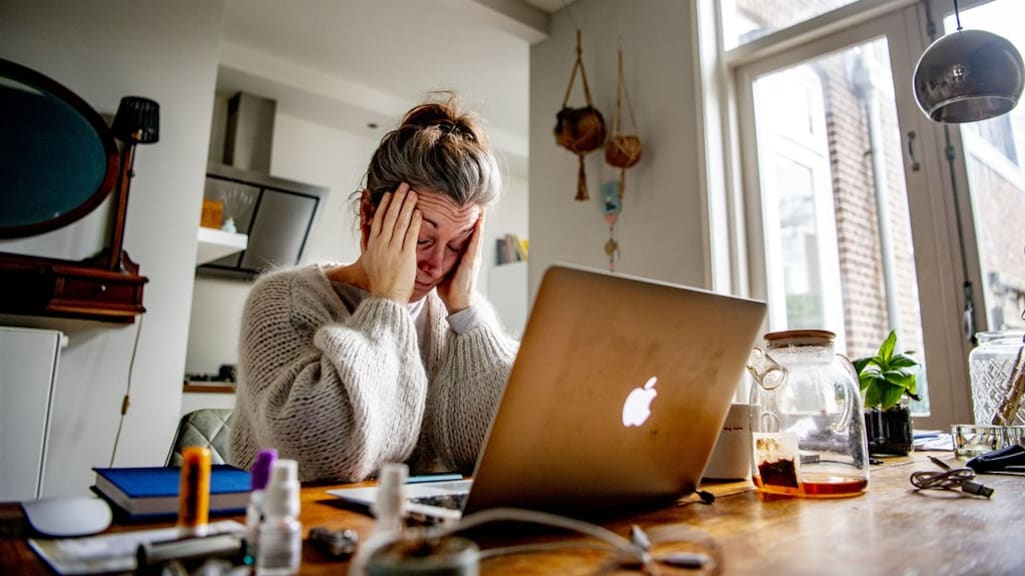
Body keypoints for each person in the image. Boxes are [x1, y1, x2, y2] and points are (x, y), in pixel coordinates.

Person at [230, 95, 519, 482]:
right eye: (421, 238)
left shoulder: (453, 317)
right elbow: (319, 453)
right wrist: (387, 303)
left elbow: (496, 448)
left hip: (411, 535)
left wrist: (466, 313)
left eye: (456, 245)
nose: (436, 265)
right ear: (369, 213)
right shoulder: (282, 300)